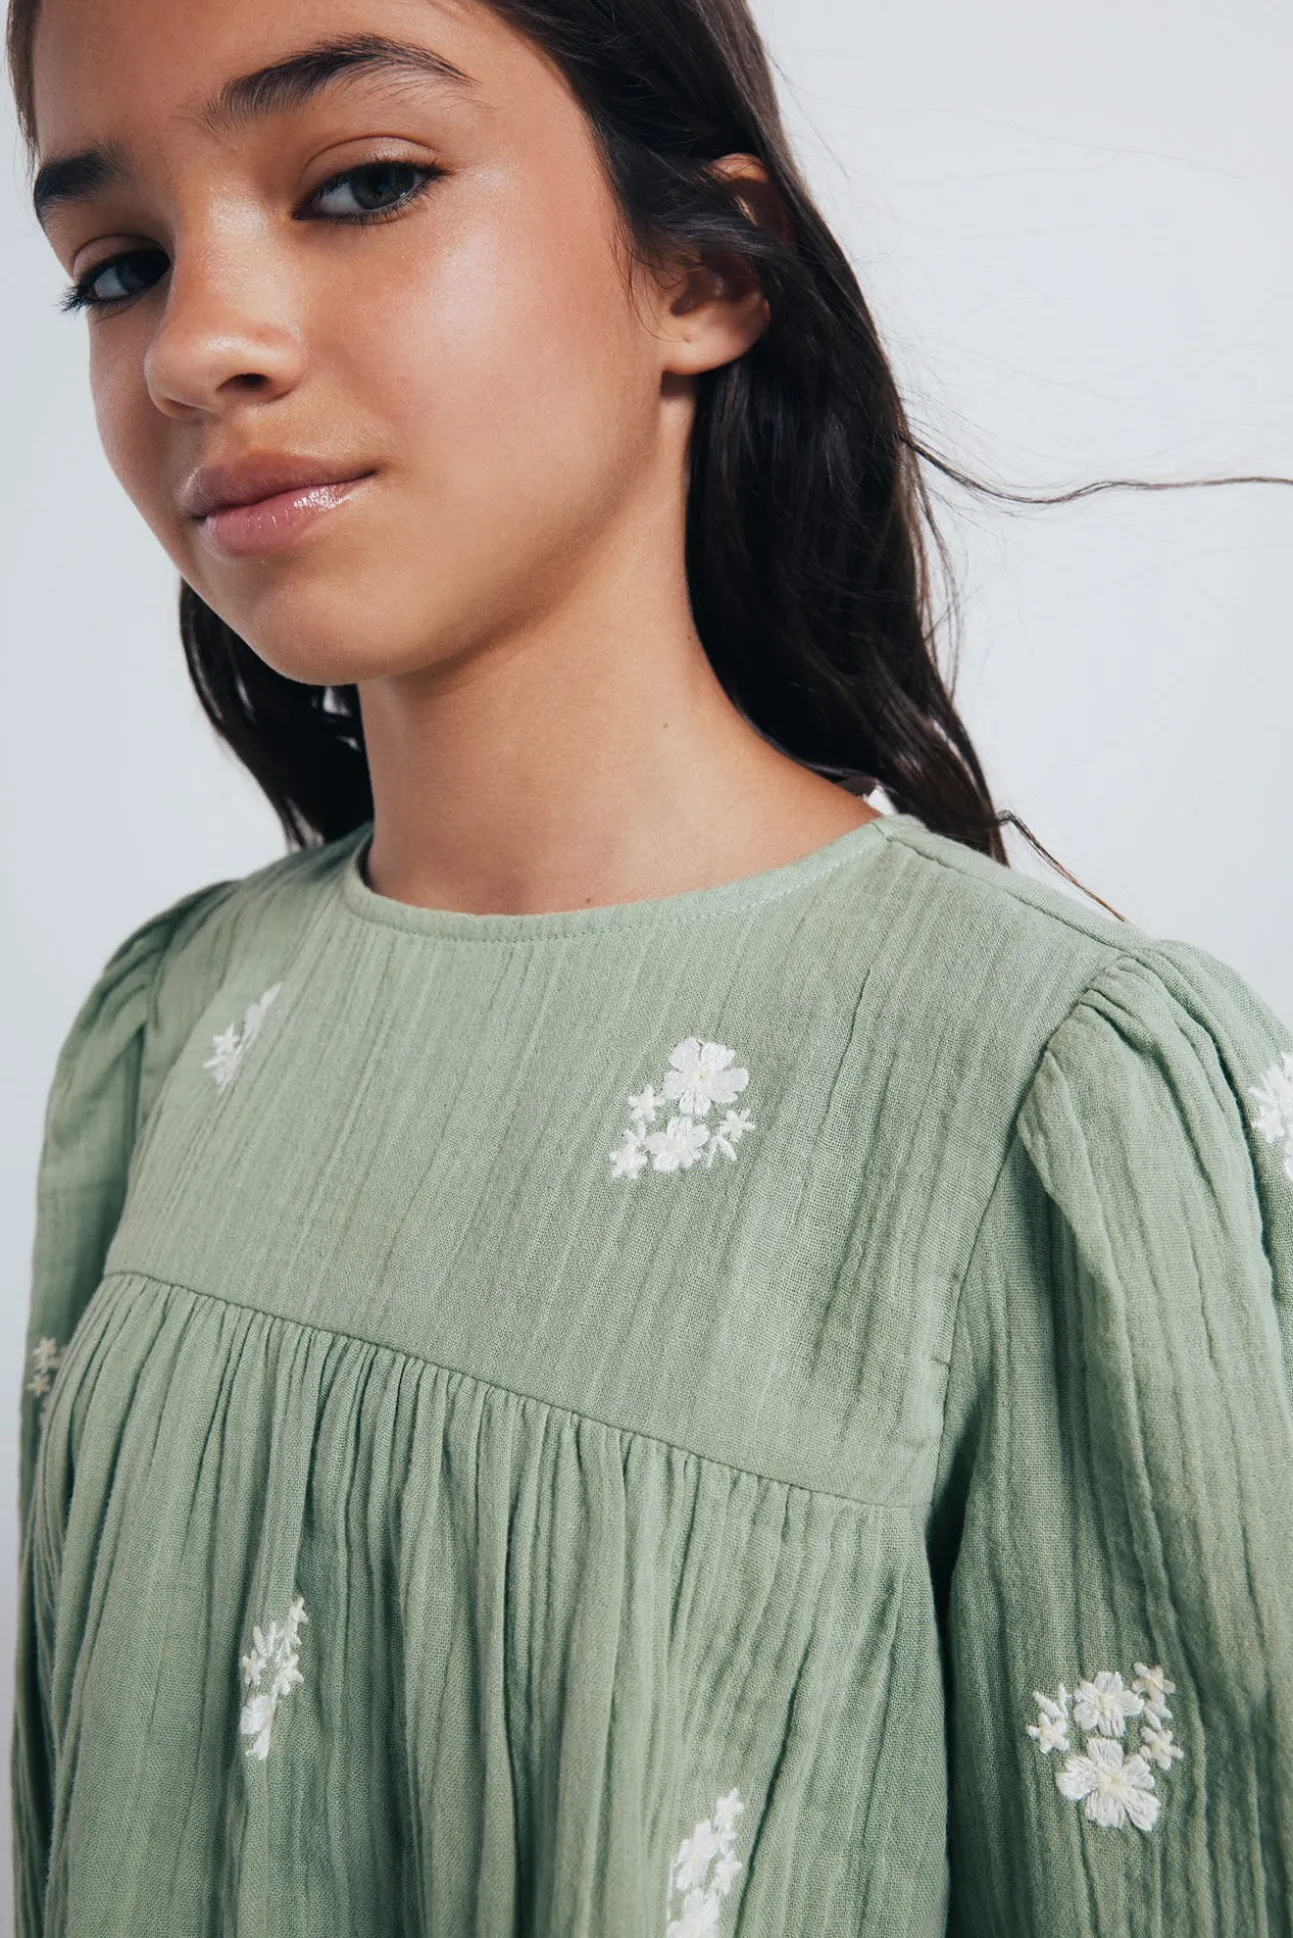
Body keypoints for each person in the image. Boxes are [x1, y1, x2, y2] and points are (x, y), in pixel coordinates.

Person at [9, 0, 1292, 1930]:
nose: (197, 345)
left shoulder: (1046, 1095)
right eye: (119, 265)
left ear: (703, 271)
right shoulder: (168, 1029)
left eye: (364, 183)